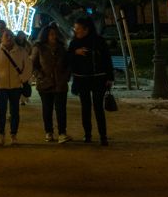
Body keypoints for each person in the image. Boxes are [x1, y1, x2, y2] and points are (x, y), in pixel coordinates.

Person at [67, 16, 114, 145]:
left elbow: (106, 59)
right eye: (75, 29)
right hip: (82, 80)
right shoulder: (74, 43)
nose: (76, 31)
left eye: (78, 29)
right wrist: (75, 53)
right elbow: (67, 59)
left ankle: (102, 135)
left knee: (98, 107)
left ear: (86, 29)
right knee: (85, 107)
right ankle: (87, 134)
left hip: (98, 78)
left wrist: (110, 77)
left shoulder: (99, 41)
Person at [0, 28, 32, 147]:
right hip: (1, 86)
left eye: (11, 35)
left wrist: (22, 78)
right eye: (6, 35)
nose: (9, 37)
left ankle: (13, 135)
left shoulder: (21, 51)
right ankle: (0, 135)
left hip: (16, 86)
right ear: (1, 38)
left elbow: (28, 66)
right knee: (1, 111)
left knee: (15, 111)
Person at [32, 23, 71, 143]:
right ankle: (48, 132)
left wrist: (65, 77)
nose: (53, 36)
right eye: (51, 34)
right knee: (47, 109)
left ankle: (62, 133)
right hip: (45, 83)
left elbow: (68, 65)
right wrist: (40, 76)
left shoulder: (62, 48)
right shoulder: (39, 48)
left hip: (60, 83)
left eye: (55, 34)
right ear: (45, 35)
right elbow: (33, 65)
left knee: (61, 109)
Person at [14, 30, 33, 105]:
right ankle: (22, 99)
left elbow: (31, 53)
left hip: (26, 65)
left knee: (27, 82)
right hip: (18, 65)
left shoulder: (28, 44)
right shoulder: (15, 45)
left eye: (23, 35)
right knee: (20, 83)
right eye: (20, 35)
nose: (21, 37)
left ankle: (26, 97)